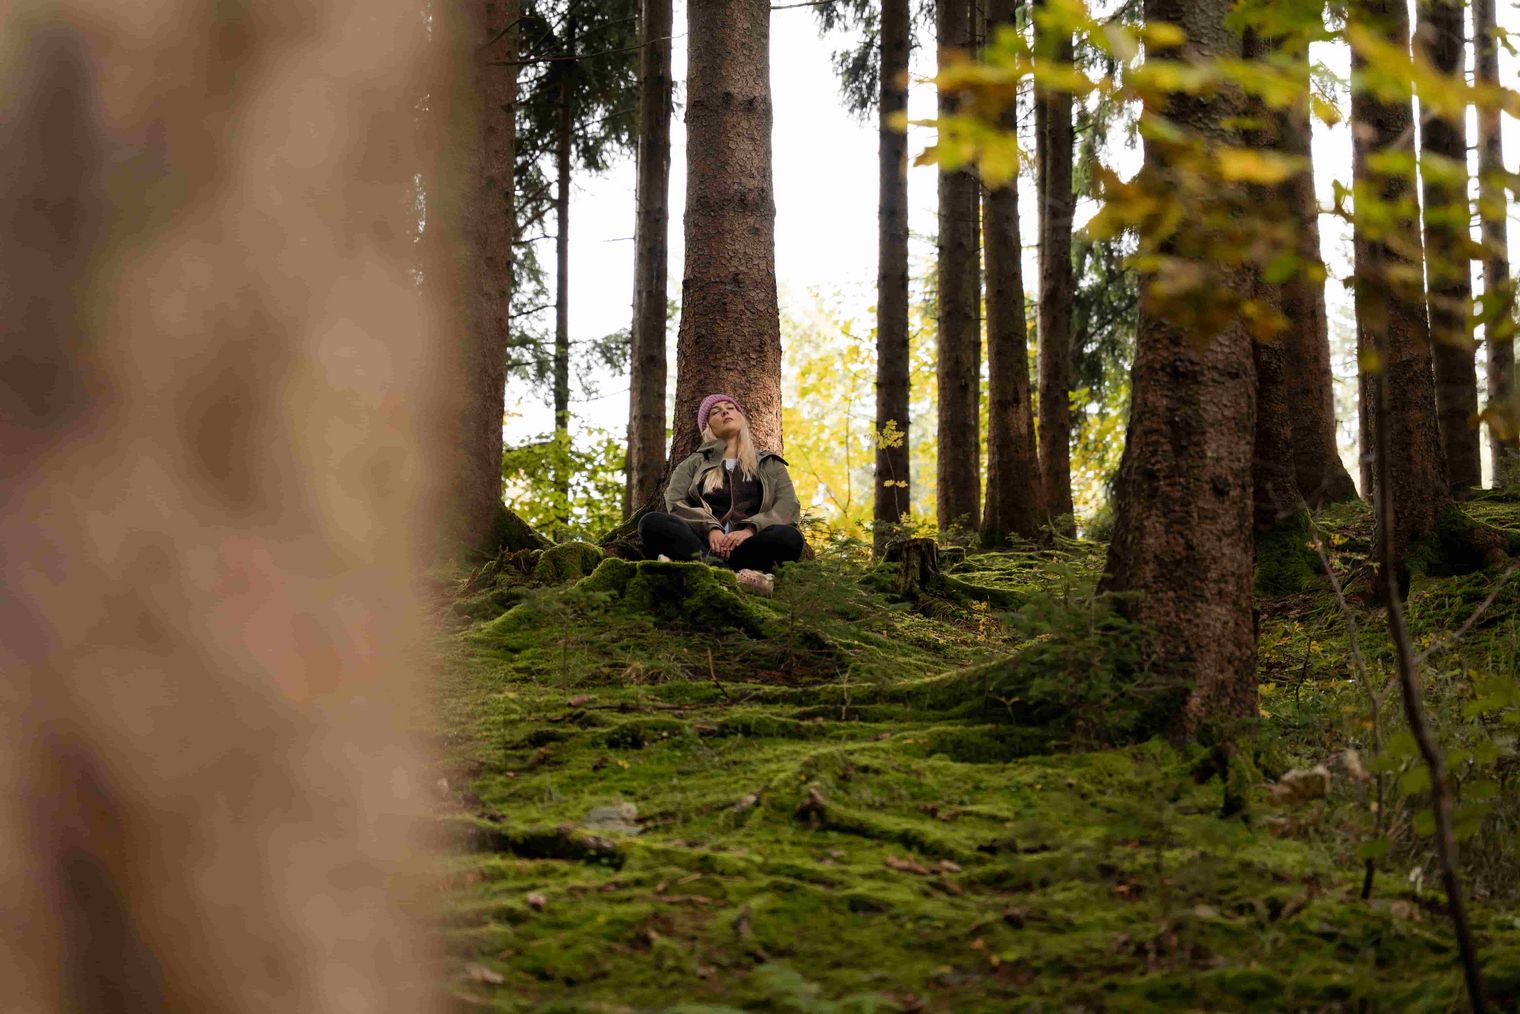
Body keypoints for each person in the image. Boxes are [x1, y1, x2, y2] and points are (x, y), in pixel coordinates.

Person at [638, 393, 804, 593]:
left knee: (789, 537)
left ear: (741, 417)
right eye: (715, 412)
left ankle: (708, 572)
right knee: (651, 522)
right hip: (702, 546)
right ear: (707, 426)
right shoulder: (692, 464)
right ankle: (734, 577)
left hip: (749, 547)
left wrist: (750, 530)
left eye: (730, 408)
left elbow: (787, 505)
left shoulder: (769, 464)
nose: (725, 412)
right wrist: (710, 529)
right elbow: (675, 501)